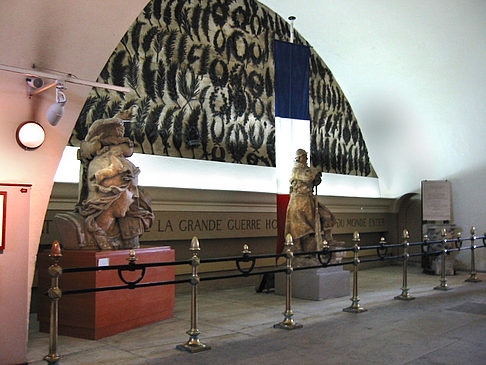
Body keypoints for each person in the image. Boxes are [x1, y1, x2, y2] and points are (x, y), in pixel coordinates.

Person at [55, 109, 154, 250]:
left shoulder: (130, 226)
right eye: (130, 189)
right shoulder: (74, 227)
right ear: (110, 192)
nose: (136, 195)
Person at [285, 149, 336, 255]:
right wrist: (315, 171)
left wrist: (317, 178)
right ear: (299, 158)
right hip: (299, 202)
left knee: (327, 216)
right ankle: (301, 250)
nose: (306, 158)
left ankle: (328, 240)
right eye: (304, 156)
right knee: (301, 230)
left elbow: (314, 181)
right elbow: (307, 177)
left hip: (309, 200)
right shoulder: (296, 170)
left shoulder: (307, 169)